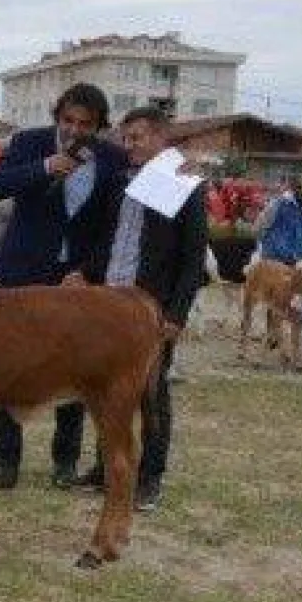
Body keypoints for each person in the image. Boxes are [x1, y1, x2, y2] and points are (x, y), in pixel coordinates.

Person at [0, 82, 126, 490]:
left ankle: (65, 461)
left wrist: (87, 269)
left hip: (76, 279)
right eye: (68, 121)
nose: (75, 130)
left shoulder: (112, 159)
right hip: (20, 273)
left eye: (86, 124)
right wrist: (45, 167)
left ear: (99, 126)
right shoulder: (29, 143)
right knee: (7, 366)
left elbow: (112, 225)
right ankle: (7, 461)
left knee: (75, 371)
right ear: (56, 116)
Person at [76, 107, 207, 511]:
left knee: (151, 393)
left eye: (139, 137)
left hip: (149, 308)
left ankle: (150, 478)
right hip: (107, 301)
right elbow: (105, 240)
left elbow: (192, 256)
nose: (130, 145)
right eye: (127, 138)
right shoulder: (119, 183)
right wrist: (85, 274)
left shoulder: (184, 185)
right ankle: (105, 467)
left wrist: (177, 314)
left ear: (160, 139)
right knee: (101, 389)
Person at [255, 170, 302, 354]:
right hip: (275, 258)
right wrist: (267, 248)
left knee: (301, 302)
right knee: (274, 300)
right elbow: (260, 226)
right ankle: (274, 336)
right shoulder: (278, 204)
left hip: (301, 262)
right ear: (297, 188)